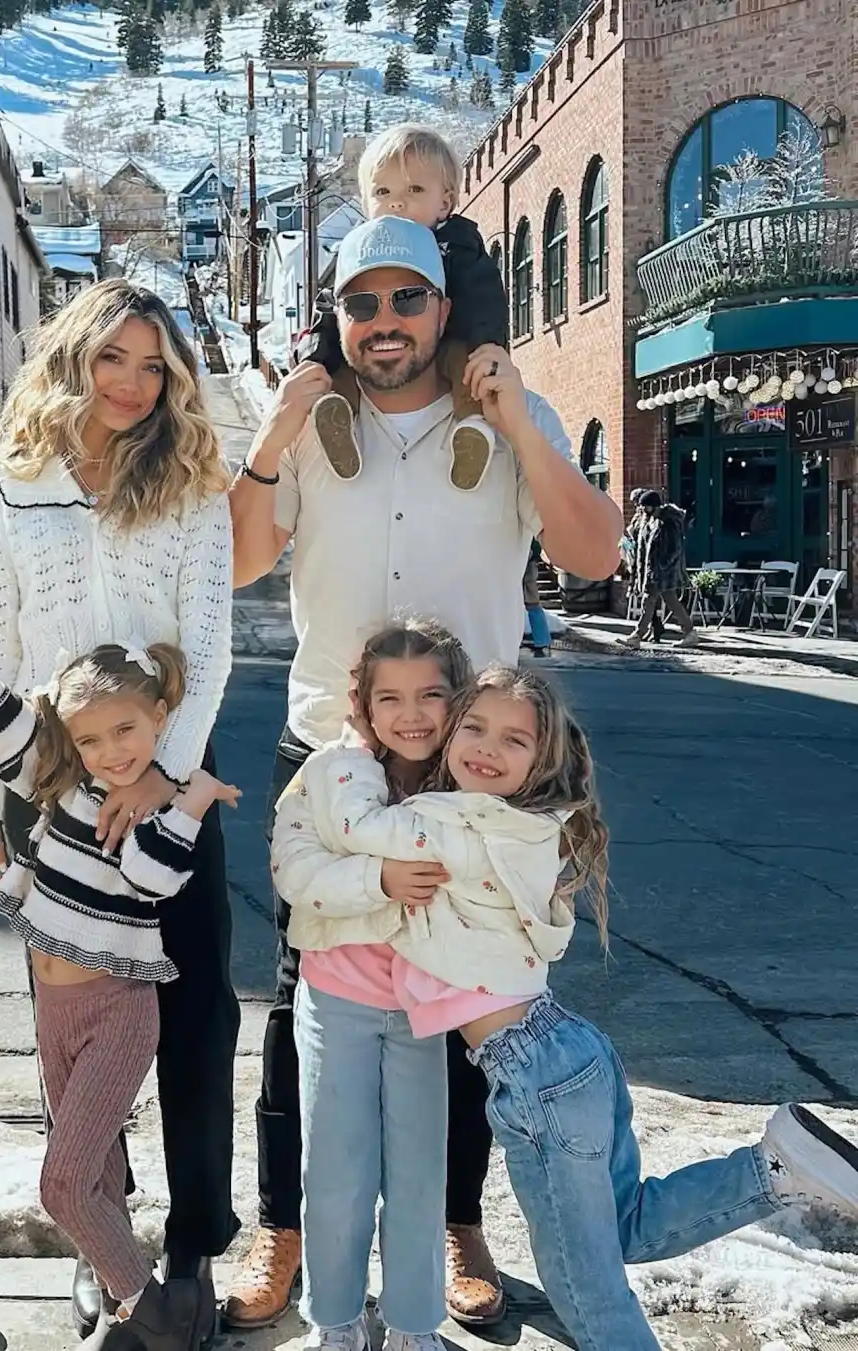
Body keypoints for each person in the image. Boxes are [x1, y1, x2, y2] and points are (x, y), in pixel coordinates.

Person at [225, 214, 623, 1330]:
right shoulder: (314, 423)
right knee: (304, 998)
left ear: (443, 307)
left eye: (408, 298)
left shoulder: (504, 412)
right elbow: (241, 559)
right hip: (334, 749)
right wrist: (273, 434)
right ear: (338, 317)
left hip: (471, 759)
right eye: (363, 303)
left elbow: (595, 553)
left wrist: (520, 424)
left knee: (468, 995)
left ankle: (457, 1221)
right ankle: (284, 1226)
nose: (386, 321)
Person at [274, 662, 858, 1351]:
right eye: (475, 728)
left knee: (590, 1297)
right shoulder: (527, 825)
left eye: (514, 739)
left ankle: (778, 1170)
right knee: (628, 1227)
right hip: (569, 1052)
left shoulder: (449, 822)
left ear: (541, 761)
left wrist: (355, 742)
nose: (488, 748)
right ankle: (772, 1170)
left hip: (535, 1078)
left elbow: (358, 823)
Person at [0, 280, 238, 1349]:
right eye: (113, 357)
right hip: (48, 785)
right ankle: (102, 1242)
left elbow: (209, 646)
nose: (132, 382)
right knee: (71, 1028)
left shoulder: (192, 481)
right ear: (72, 358)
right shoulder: (12, 486)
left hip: (171, 779)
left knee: (196, 1015)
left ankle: (195, 1243)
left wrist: (161, 772)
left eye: (153, 365)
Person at [0, 604, 240, 1351]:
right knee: (95, 1172)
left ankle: (149, 1307)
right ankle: (127, 1299)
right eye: (90, 739)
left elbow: (155, 878)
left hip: (116, 1011)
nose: (110, 752)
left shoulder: (150, 808)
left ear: (161, 718)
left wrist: (192, 798)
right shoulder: (63, 788)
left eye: (126, 731)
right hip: (56, 1009)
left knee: (63, 1182)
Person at [298, 124, 507, 492]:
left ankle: (473, 432)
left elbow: (484, 296)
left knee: (468, 371)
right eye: (383, 192)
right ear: (366, 204)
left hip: (452, 342)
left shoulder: (457, 245)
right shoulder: (360, 251)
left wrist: (488, 344)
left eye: (414, 190)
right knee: (342, 367)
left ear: (445, 202)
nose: (397, 202)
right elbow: (333, 308)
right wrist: (313, 355)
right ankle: (337, 423)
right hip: (381, 354)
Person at [620, 490, 698, 649]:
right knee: (667, 601)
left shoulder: (668, 522)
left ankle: (637, 635)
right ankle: (689, 632)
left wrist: (661, 566)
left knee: (651, 601)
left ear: (654, 506)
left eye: (645, 506)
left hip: (662, 572)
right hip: (654, 572)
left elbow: (674, 549)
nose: (642, 509)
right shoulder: (650, 520)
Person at [621, 488, 664, 643]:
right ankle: (652, 628)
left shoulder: (651, 518)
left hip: (649, 564)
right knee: (647, 598)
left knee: (651, 599)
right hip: (639, 561)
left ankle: (646, 631)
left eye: (636, 502)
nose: (636, 505)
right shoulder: (641, 516)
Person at [522, 539, 550, 657]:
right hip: (528, 566)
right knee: (533, 606)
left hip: (527, 568)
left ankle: (542, 642)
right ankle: (542, 641)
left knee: (533, 606)